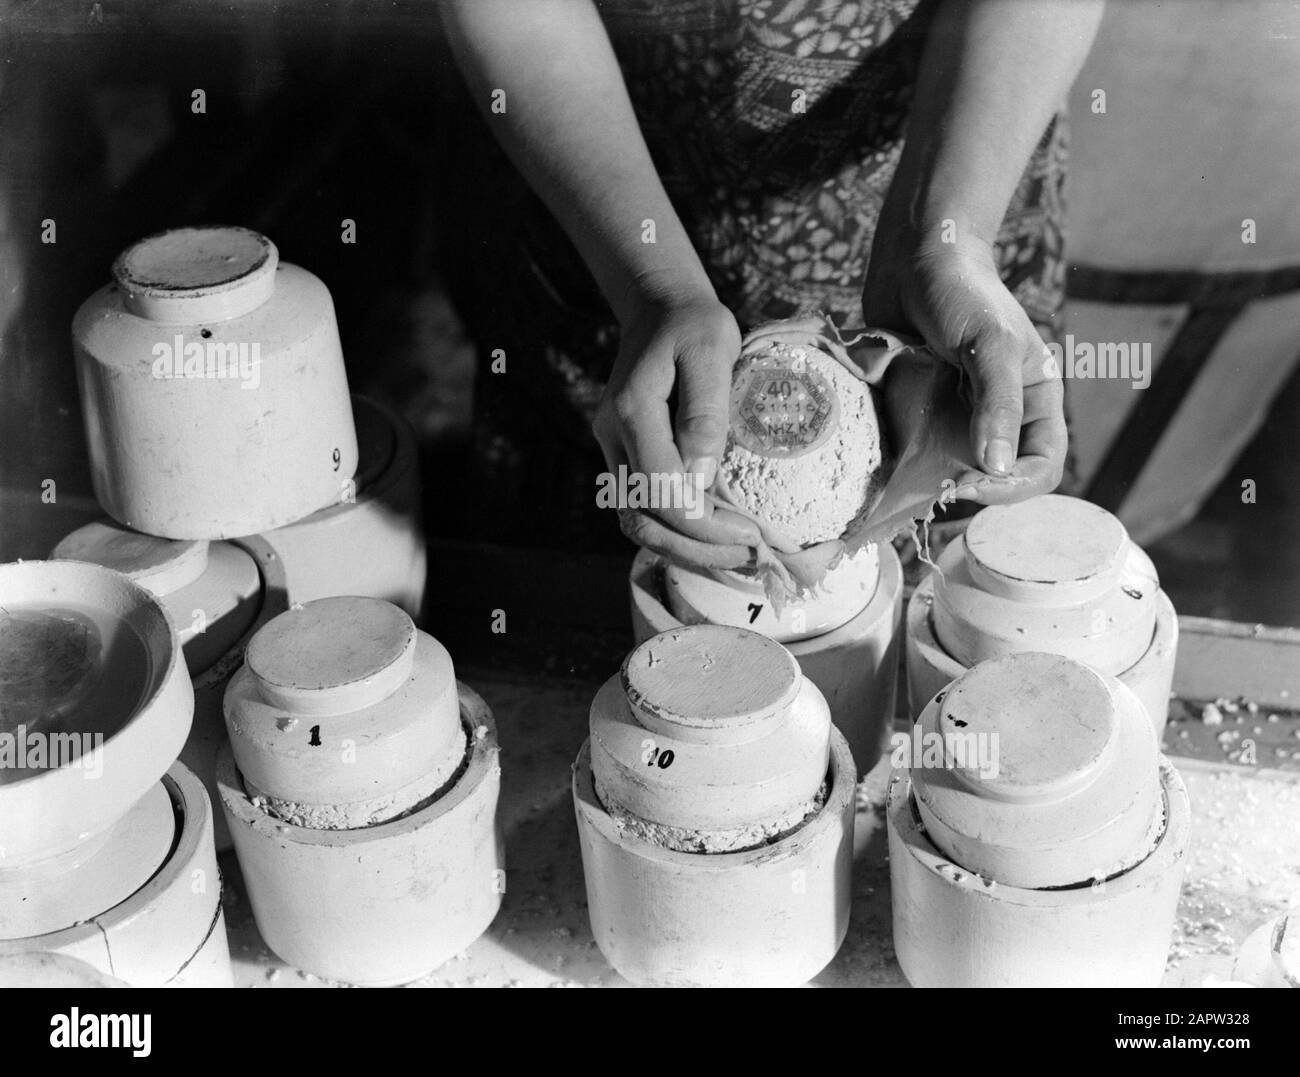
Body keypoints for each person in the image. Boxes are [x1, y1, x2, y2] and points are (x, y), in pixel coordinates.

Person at [441, 0, 1104, 562]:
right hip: (601, 176)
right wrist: (653, 287)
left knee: (956, 604)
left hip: (955, 153)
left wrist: (946, 241)